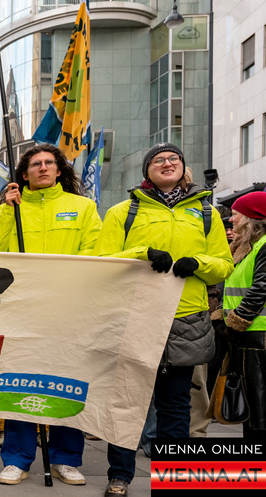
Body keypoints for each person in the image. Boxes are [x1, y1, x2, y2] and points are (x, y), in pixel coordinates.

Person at [96, 144, 232, 497]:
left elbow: (224, 264)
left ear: (183, 167)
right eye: (158, 160)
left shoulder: (206, 212)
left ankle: (173, 478)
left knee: (176, 405)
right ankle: (119, 476)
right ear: (148, 170)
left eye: (174, 159)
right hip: (136, 317)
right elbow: (104, 260)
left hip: (185, 320)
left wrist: (198, 264)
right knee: (128, 403)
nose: (167, 163)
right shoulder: (123, 211)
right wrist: (142, 255)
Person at [0, 144, 101, 488]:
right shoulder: (8, 209)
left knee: (68, 383)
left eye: (50, 162)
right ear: (25, 174)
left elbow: (95, 251)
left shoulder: (83, 207)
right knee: (19, 382)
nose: (43, 168)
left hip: (68, 309)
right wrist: (8, 211)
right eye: (36, 164)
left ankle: (67, 458)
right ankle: (17, 459)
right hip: (22, 309)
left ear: (59, 170)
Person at [223, 191, 266, 436]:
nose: (231, 219)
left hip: (258, 336)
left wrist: (237, 320)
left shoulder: (263, 246)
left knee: (258, 410)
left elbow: (261, 288)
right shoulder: (250, 247)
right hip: (249, 336)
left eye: (235, 214)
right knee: (252, 406)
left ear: (251, 218)